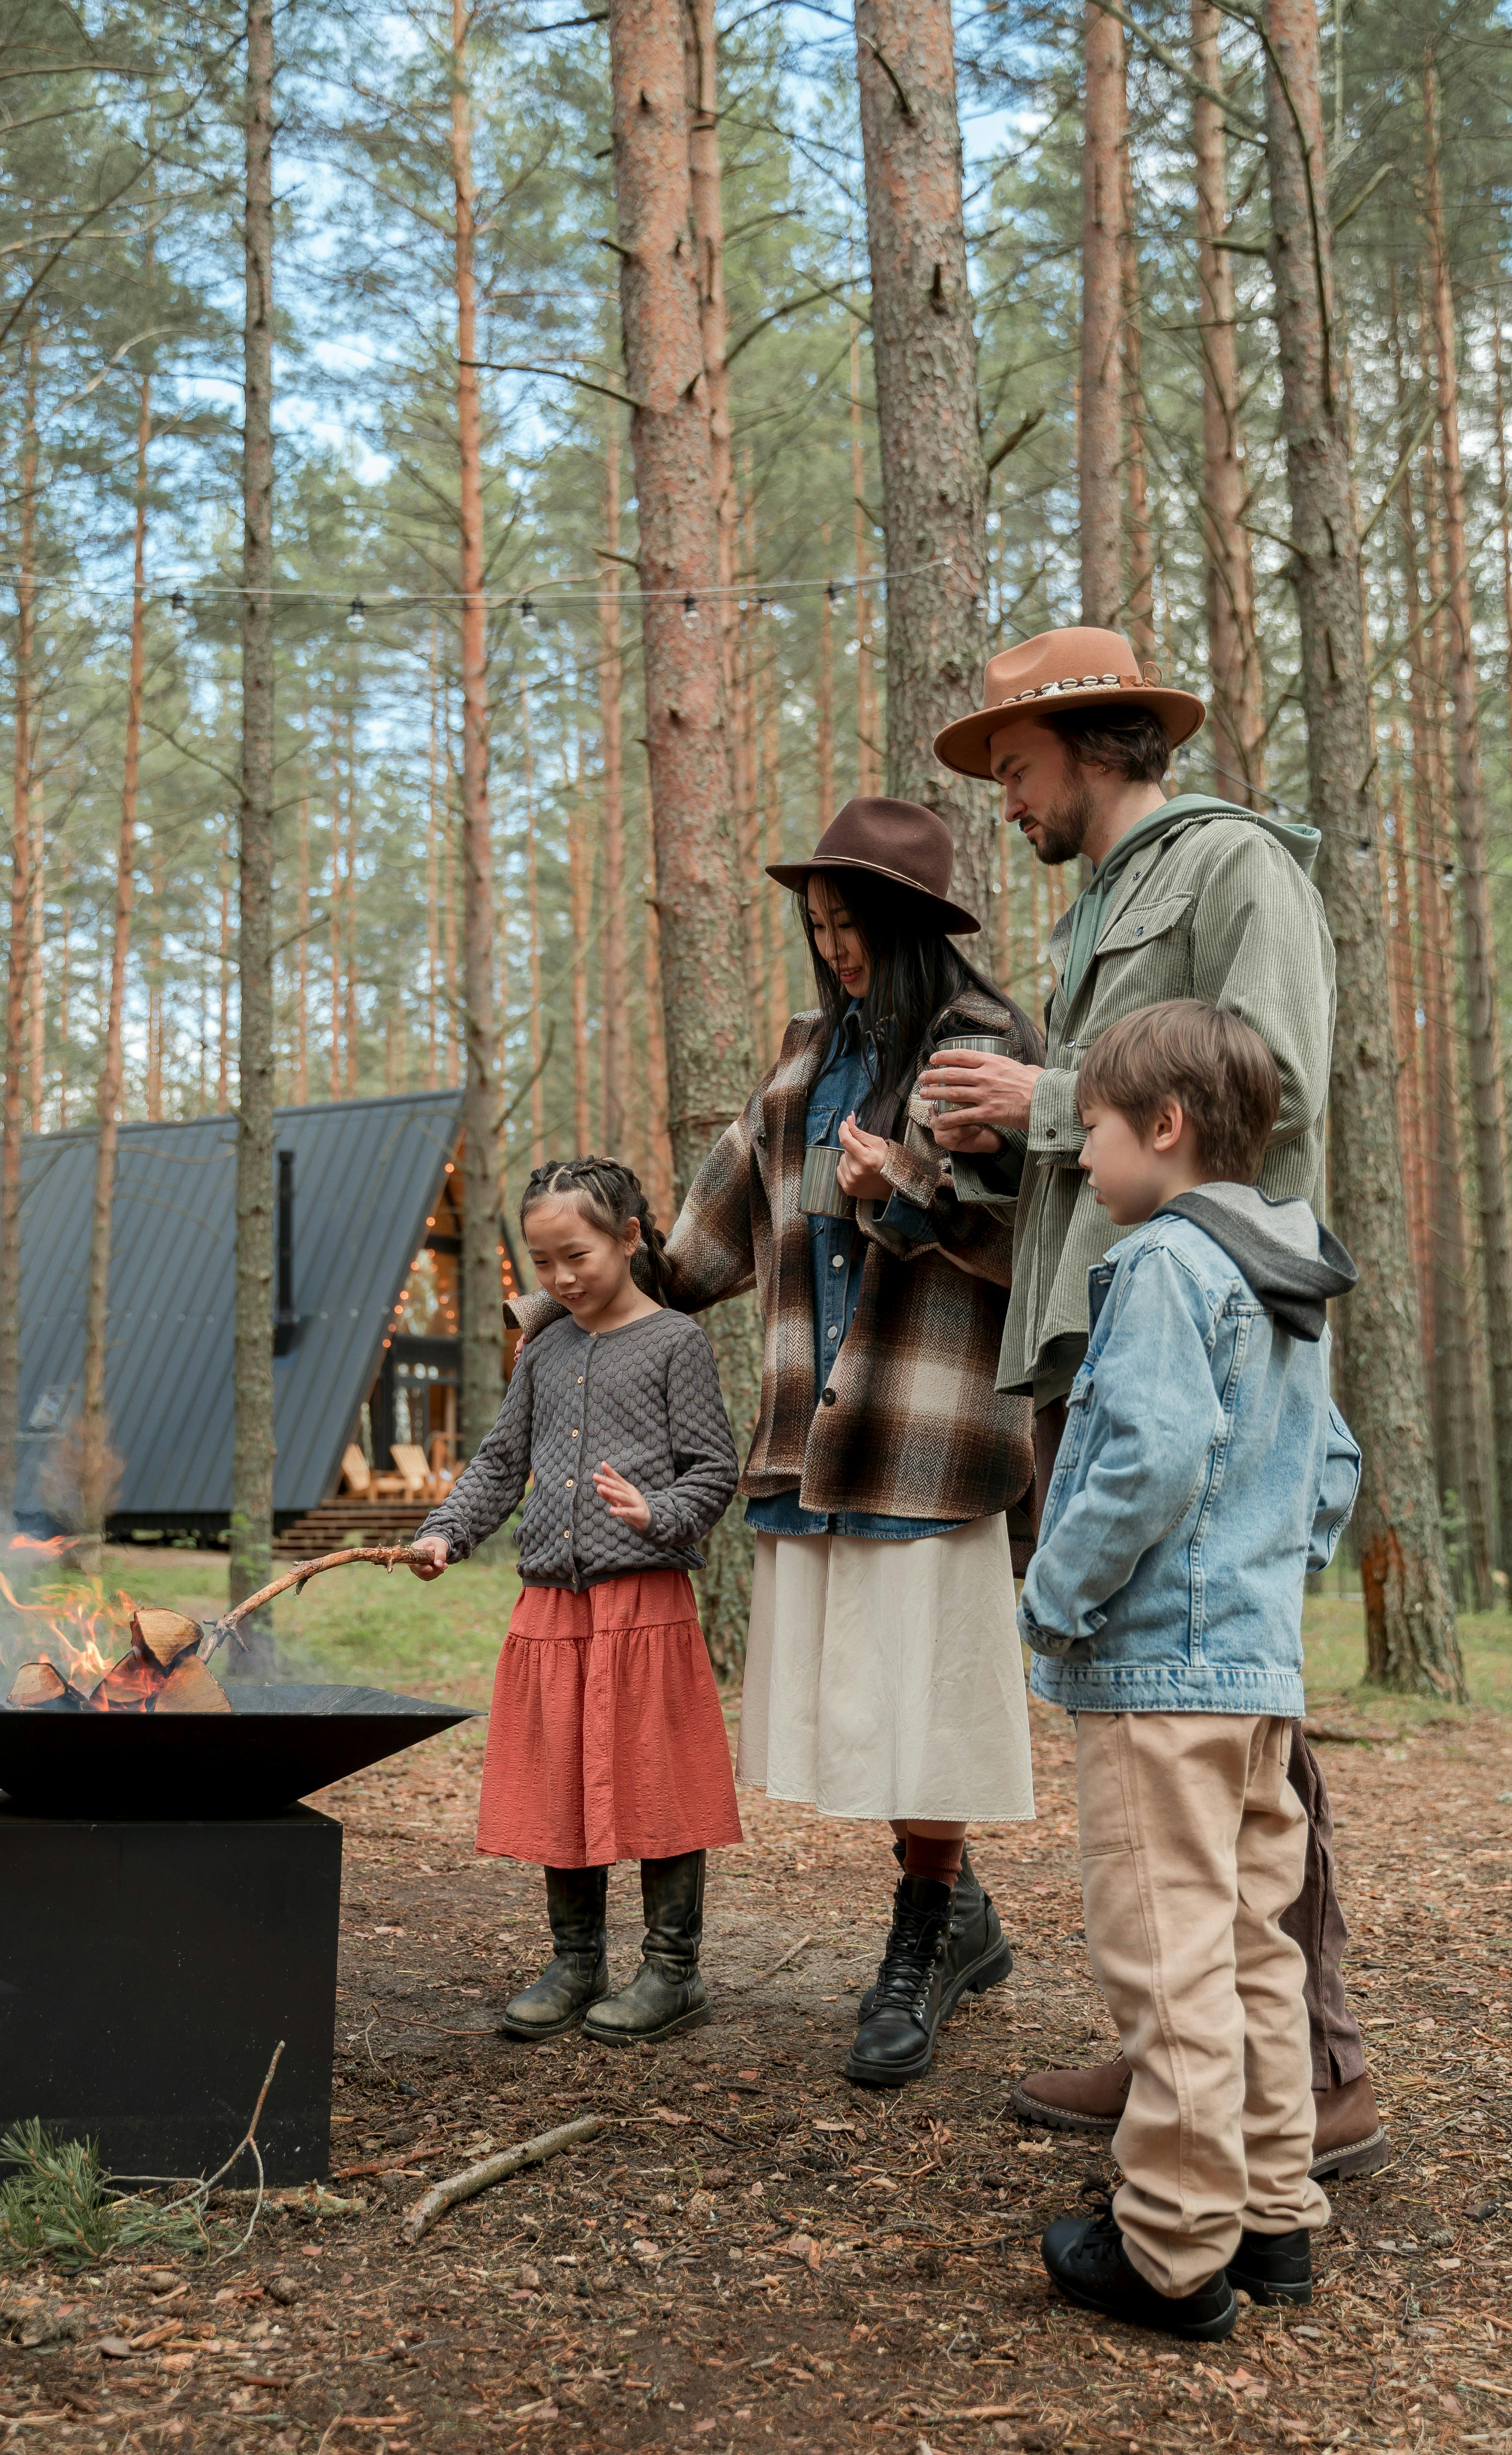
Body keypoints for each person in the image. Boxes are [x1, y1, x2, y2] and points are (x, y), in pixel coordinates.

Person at [921, 626, 1387, 2182]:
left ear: (1094, 739)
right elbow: (1133, 1138)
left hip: (1212, 1347)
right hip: (1101, 1336)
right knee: (1155, 1708)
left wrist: (1041, 1099)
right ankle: (1178, 2041)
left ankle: (1307, 2067)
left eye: (1015, 766)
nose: (1006, 800)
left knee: (1230, 1704)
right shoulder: (1107, 904)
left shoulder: (1239, 866)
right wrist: (986, 1165)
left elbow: (1281, 1094)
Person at [509, 796, 1042, 2089]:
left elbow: (1031, 1245)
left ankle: (923, 1935)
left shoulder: (989, 1047)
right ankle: (955, 1908)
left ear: (911, 925)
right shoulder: (806, 1060)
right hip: (813, 1437)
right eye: (816, 927)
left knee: (922, 1708)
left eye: (851, 926)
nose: (834, 949)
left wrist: (898, 1196)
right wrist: (559, 1299)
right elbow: (707, 1236)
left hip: (930, 1433)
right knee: (865, 1710)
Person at [1026, 1001, 1361, 2339]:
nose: (1082, 1161)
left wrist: (1052, 1596)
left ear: (1162, 1129)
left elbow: (1148, 1460)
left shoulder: (1166, 1263)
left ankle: (1168, 2249)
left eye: (1090, 1135)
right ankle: (1273, 2213)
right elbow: (1327, 1465)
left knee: (1163, 1960)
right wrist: (1274, 1584)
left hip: (1157, 1680)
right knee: (1249, 1947)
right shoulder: (1287, 1269)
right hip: (1255, 1676)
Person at [409, 1157, 741, 2046]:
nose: (558, 1279)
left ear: (629, 1238)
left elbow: (715, 1470)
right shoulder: (544, 1348)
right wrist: (448, 1530)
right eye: (542, 1262)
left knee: (655, 1778)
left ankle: (673, 1970)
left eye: (576, 1256)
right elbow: (498, 1460)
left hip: (645, 1602)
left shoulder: (675, 1342)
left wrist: (657, 1512)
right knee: (561, 1777)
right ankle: (576, 1960)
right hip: (553, 1608)